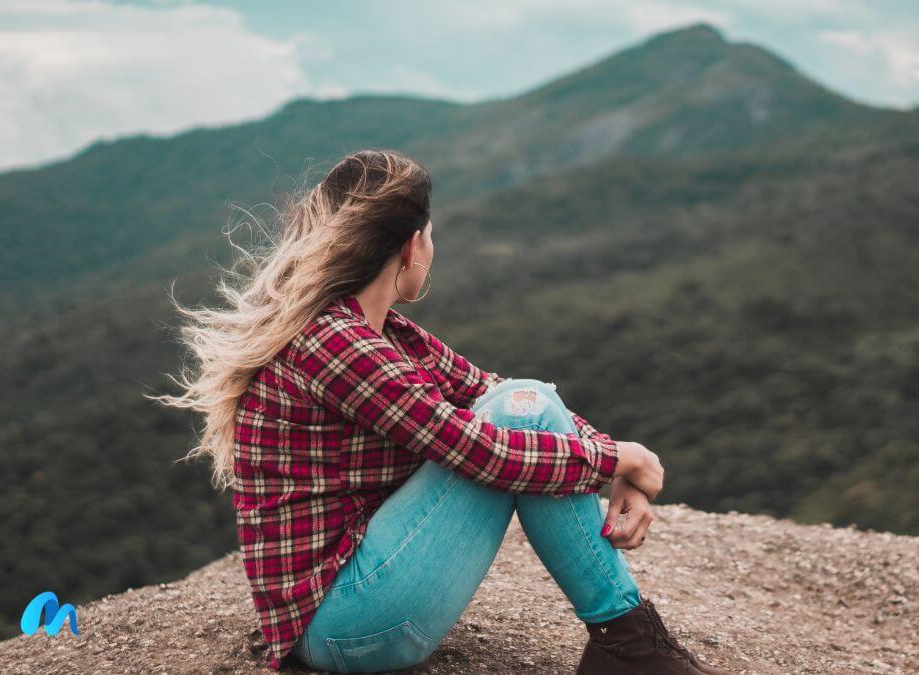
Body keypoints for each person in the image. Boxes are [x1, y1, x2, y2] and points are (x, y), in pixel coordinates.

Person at [152, 149, 729, 673]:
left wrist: (621, 466)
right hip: (343, 625)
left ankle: (626, 643)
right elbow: (479, 449)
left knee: (521, 397)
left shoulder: (379, 333)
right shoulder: (335, 345)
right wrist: (617, 460)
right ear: (411, 245)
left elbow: (503, 393)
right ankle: (628, 644)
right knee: (510, 422)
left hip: (359, 596)